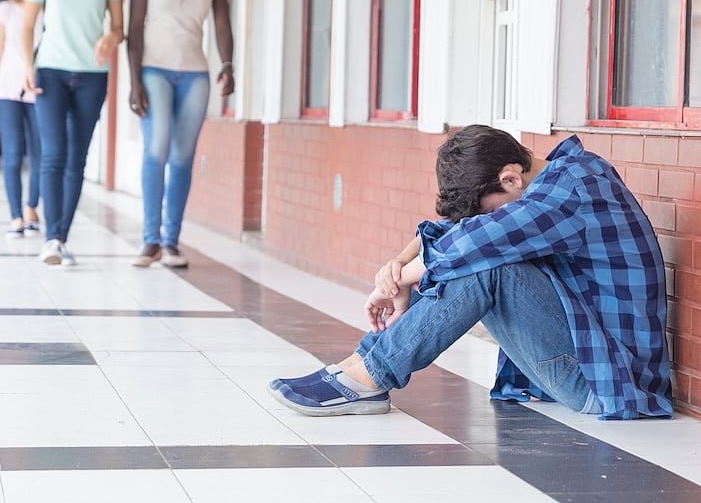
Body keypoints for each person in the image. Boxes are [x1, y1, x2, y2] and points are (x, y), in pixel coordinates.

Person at [269, 125, 673, 421]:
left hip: (609, 381)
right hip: (587, 365)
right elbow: (460, 231)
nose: (485, 219)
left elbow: (473, 243)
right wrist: (394, 269)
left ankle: (369, 377)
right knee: (481, 254)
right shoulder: (557, 178)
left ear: (511, 178)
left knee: (489, 265)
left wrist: (407, 278)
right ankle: (364, 367)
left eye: (487, 210)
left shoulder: (572, 190)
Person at [126, 0, 234, 269]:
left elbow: (222, 24)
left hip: (195, 74)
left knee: (183, 157)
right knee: (156, 148)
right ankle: (149, 239)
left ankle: (171, 241)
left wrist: (228, 65)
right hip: (153, 70)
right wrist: (134, 80)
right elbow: (134, 29)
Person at [20, 0, 126, 267]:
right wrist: (27, 66)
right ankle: (50, 238)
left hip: (92, 77)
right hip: (50, 70)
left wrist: (110, 40)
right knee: (52, 154)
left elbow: (118, 27)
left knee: (76, 159)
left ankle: (61, 236)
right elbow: (26, 24)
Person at [0, 0, 45, 238]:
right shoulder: (5, 10)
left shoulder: (52, 9)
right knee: (12, 154)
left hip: (39, 89)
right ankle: (16, 216)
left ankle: (32, 206)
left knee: (40, 154)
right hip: (7, 90)